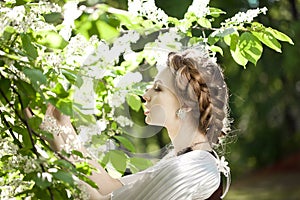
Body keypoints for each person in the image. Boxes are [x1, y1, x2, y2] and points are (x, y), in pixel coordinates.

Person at [40, 48, 231, 200]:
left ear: (187, 104)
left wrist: (54, 138)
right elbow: (111, 188)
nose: (145, 95)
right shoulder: (182, 159)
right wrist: (62, 124)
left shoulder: (194, 166)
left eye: (158, 88)